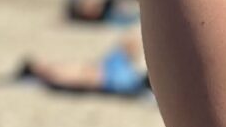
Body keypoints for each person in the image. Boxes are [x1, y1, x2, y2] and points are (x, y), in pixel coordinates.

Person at [14, 33, 149, 94]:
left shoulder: (53, 70)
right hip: (110, 78)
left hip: (105, 68)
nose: (41, 62)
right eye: (37, 65)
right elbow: (82, 82)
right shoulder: (53, 76)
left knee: (129, 41)